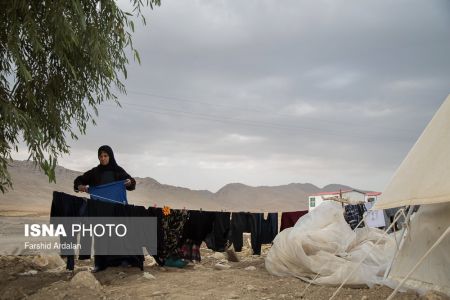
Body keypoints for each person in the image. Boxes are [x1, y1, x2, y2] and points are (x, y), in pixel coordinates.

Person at [73, 145, 137, 272]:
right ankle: (100, 264)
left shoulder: (118, 171)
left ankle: (121, 261)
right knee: (101, 237)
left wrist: (130, 182)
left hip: (116, 210)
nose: (103, 158)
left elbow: (132, 182)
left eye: (105, 156)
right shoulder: (95, 172)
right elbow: (79, 180)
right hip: (100, 211)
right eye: (100, 156)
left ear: (110, 156)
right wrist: (79, 186)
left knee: (118, 235)